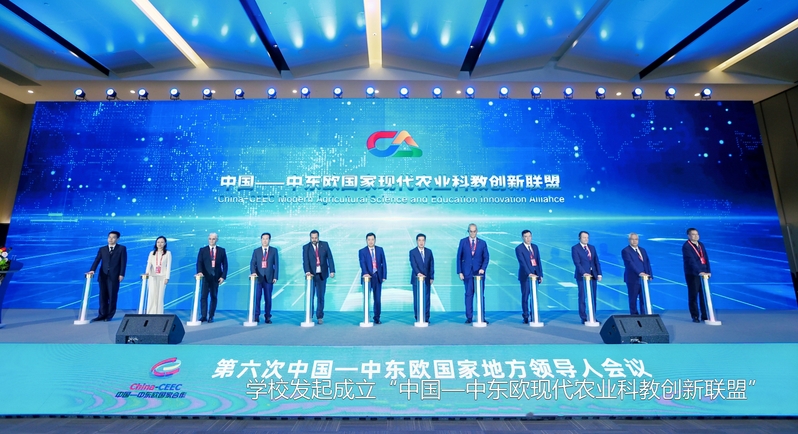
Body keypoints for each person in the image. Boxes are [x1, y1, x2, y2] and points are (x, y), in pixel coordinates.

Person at [87, 230, 127, 322]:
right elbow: (97, 260)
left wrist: (121, 274)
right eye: (109, 237)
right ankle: (101, 314)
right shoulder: (102, 249)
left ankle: (109, 315)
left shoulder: (122, 248)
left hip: (115, 276)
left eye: (113, 237)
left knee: (112, 296)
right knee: (102, 296)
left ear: (117, 239)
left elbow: (123, 262)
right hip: (103, 275)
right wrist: (92, 270)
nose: (111, 239)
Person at [456, 223, 490, 324]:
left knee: (480, 295)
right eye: (470, 231)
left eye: (474, 231)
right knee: (468, 295)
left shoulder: (482, 243)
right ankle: (469, 317)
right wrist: (460, 272)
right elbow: (459, 257)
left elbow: (486, 257)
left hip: (479, 274)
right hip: (467, 273)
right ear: (468, 231)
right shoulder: (463, 242)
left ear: (477, 231)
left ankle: (481, 317)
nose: (472, 233)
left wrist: (483, 268)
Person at [302, 230, 335, 324]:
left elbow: (330, 258)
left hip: (322, 275)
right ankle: (310, 316)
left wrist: (332, 270)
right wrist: (307, 272)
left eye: (316, 238)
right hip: (311, 276)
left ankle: (320, 316)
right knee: (310, 297)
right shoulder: (306, 247)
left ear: (318, 237)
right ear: (310, 238)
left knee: (320, 297)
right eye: (312, 238)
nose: (314, 239)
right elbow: (305, 261)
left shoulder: (325, 245)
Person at [195, 233, 228, 323]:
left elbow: (225, 264)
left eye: (213, 239)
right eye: (210, 239)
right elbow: (199, 262)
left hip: (216, 277)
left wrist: (223, 277)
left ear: (217, 239)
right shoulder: (203, 250)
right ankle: (203, 316)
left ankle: (211, 316)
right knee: (203, 296)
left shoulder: (221, 250)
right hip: (205, 277)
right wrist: (200, 272)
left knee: (213, 297)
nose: (211, 240)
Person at [571, 231, 602, 324]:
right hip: (582, 277)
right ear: (579, 238)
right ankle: (583, 317)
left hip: (593, 275)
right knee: (582, 296)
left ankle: (593, 316)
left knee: (593, 296)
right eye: (584, 237)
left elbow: (596, 261)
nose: (586, 239)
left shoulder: (592, 248)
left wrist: (599, 274)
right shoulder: (575, 248)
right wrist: (584, 273)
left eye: (587, 237)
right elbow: (577, 263)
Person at [682, 228, 711, 323]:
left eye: (697, 234)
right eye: (693, 234)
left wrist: (708, 271)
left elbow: (706, 258)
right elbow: (691, 261)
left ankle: (705, 315)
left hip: (703, 274)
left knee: (704, 295)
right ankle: (695, 316)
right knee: (693, 295)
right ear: (689, 236)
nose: (696, 236)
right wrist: (699, 271)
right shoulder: (686, 246)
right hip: (693, 274)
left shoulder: (701, 245)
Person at [514, 230, 543, 324]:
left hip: (535, 276)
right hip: (525, 276)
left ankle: (534, 314)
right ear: (522, 237)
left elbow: (538, 261)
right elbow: (522, 263)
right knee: (525, 296)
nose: (528, 238)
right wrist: (529, 273)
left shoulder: (535, 247)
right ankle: (526, 316)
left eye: (529, 236)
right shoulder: (519, 248)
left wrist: (540, 274)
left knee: (534, 297)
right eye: (526, 236)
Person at [249, 232, 279, 324]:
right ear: (261, 240)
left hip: (269, 278)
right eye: (263, 239)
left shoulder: (274, 250)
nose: (265, 240)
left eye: (267, 239)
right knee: (257, 298)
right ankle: (256, 316)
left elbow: (276, 264)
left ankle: (267, 317)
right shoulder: (256, 251)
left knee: (268, 299)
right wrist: (253, 273)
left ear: (269, 240)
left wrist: (275, 276)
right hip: (258, 278)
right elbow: (252, 263)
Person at [621, 233, 653, 315]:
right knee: (633, 299)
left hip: (644, 279)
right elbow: (630, 264)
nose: (634, 241)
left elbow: (647, 263)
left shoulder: (642, 250)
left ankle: (644, 315)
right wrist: (639, 273)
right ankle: (634, 315)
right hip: (633, 279)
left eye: (636, 239)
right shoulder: (625, 251)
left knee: (644, 299)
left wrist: (650, 274)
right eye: (632, 239)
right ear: (629, 240)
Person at [358, 233, 386, 324]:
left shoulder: (380, 249)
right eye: (369, 239)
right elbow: (362, 263)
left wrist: (384, 276)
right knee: (366, 298)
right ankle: (366, 317)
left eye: (372, 239)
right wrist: (365, 273)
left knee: (377, 299)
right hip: (367, 278)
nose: (370, 241)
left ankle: (377, 317)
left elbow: (384, 263)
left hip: (378, 277)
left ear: (375, 240)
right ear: (366, 240)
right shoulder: (362, 251)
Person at [410, 233, 434, 323]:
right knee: (417, 299)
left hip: (427, 280)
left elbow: (431, 265)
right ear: (417, 241)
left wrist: (431, 277)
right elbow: (413, 264)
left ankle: (426, 317)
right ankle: (418, 317)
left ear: (425, 241)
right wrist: (418, 273)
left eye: (423, 240)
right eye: (419, 240)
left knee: (427, 299)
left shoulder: (429, 252)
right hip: (416, 280)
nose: (421, 242)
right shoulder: (412, 252)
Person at [145, 236, 171, 314]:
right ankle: (150, 312)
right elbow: (149, 264)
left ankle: (159, 313)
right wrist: (147, 273)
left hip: (162, 277)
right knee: (152, 295)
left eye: (162, 242)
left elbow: (168, 266)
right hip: (152, 276)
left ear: (165, 243)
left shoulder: (168, 253)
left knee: (160, 295)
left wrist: (167, 277)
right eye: (158, 242)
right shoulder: (152, 253)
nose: (160, 244)